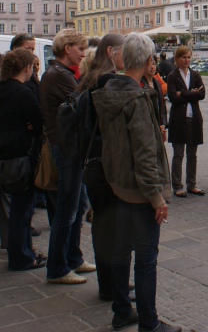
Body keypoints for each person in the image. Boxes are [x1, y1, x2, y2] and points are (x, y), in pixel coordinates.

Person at [92, 33, 179, 332]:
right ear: (146, 61)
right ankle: (149, 323)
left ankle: (121, 312)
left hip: (115, 183)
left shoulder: (109, 88)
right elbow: (144, 154)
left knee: (119, 252)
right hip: (138, 191)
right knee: (145, 258)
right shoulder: (138, 97)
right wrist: (157, 198)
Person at [39, 29, 94, 285]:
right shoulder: (58, 76)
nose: (82, 54)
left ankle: (73, 257)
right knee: (67, 210)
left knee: (78, 205)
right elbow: (83, 104)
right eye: (79, 49)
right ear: (67, 47)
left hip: (70, 147)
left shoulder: (59, 73)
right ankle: (58, 268)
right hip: (66, 148)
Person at [76, 34, 127, 302]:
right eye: (122, 51)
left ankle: (109, 282)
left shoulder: (89, 76)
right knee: (112, 226)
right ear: (110, 51)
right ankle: (111, 286)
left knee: (103, 225)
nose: (125, 56)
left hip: (92, 160)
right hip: (106, 161)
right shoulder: (107, 80)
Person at [0, 49, 45, 271]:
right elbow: (40, 121)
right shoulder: (24, 92)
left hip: (5, 156)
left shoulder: (3, 89)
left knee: (16, 209)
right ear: (27, 68)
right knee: (21, 210)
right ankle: (22, 257)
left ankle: (24, 253)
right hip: (20, 157)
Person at [167, 46, 205, 198]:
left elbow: (202, 94)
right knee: (178, 154)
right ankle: (177, 185)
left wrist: (182, 93)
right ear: (177, 59)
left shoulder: (195, 75)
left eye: (189, 57)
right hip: (178, 119)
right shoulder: (172, 76)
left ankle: (192, 184)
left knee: (192, 154)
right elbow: (172, 97)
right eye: (184, 57)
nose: (187, 60)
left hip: (193, 117)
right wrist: (191, 93)